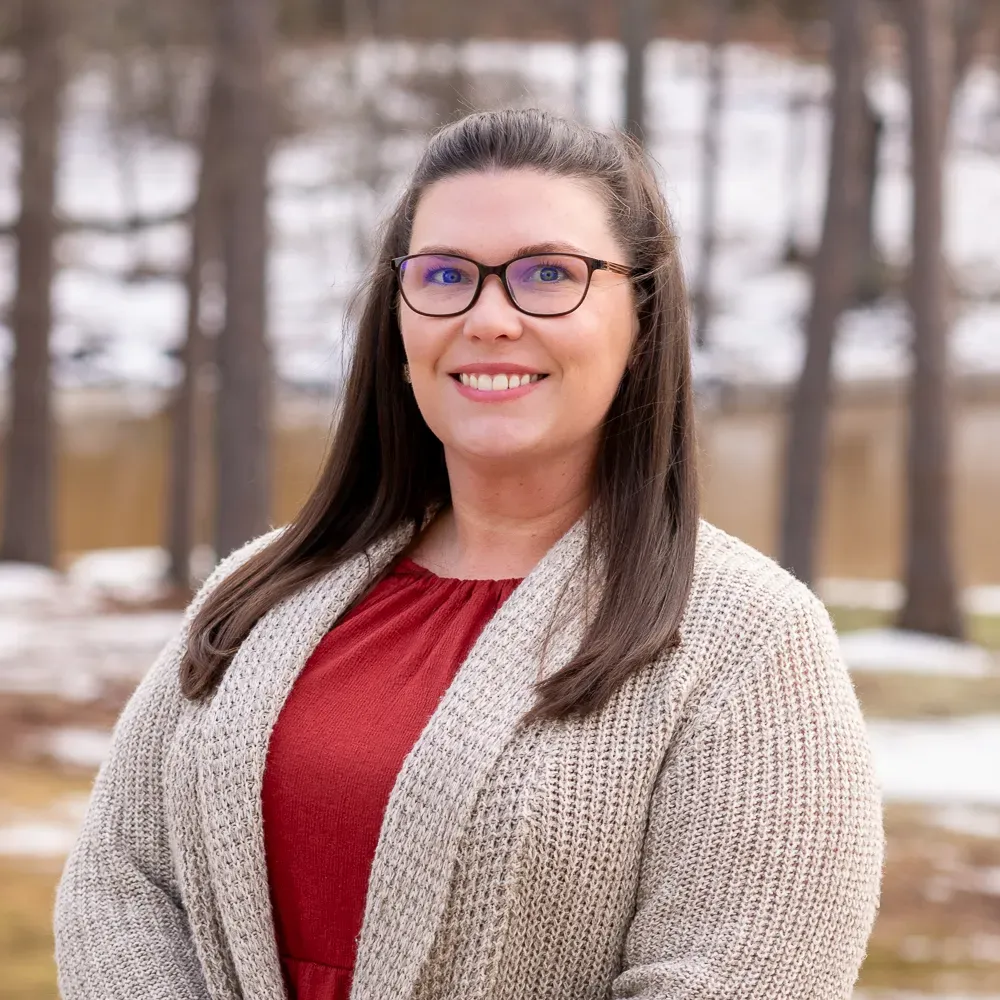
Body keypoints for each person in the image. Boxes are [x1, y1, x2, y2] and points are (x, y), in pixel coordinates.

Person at [54, 108, 884, 1000]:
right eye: (445, 274)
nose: (489, 318)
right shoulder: (261, 590)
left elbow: (741, 979)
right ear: (399, 315)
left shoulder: (748, 642)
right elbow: (122, 881)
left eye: (548, 274)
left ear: (642, 315)